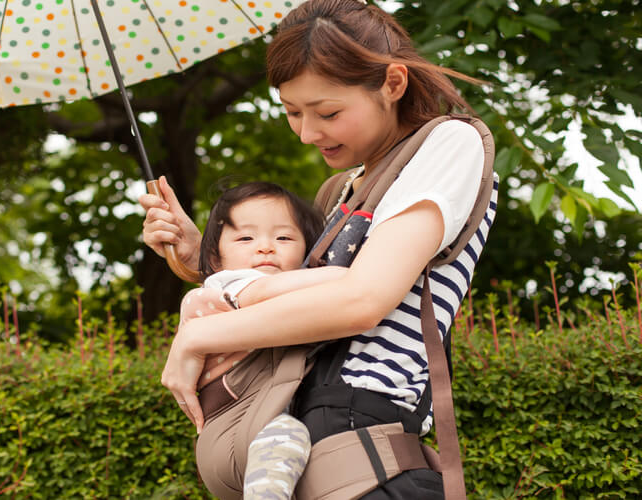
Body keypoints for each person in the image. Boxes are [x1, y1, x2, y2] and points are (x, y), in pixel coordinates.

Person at [139, 0, 498, 497]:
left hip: (366, 444)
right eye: (292, 112)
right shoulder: (341, 192)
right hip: (299, 443)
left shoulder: (448, 143)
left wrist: (197, 337)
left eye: (327, 112)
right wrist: (202, 256)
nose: (308, 133)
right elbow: (291, 300)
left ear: (393, 84)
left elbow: (361, 301)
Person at [179, 181, 344, 499]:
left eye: (283, 237)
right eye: (245, 238)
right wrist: (361, 276)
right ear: (215, 259)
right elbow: (269, 291)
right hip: (236, 430)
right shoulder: (228, 285)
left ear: (307, 252)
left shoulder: (291, 302)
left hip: (254, 437)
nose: (266, 247)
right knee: (290, 435)